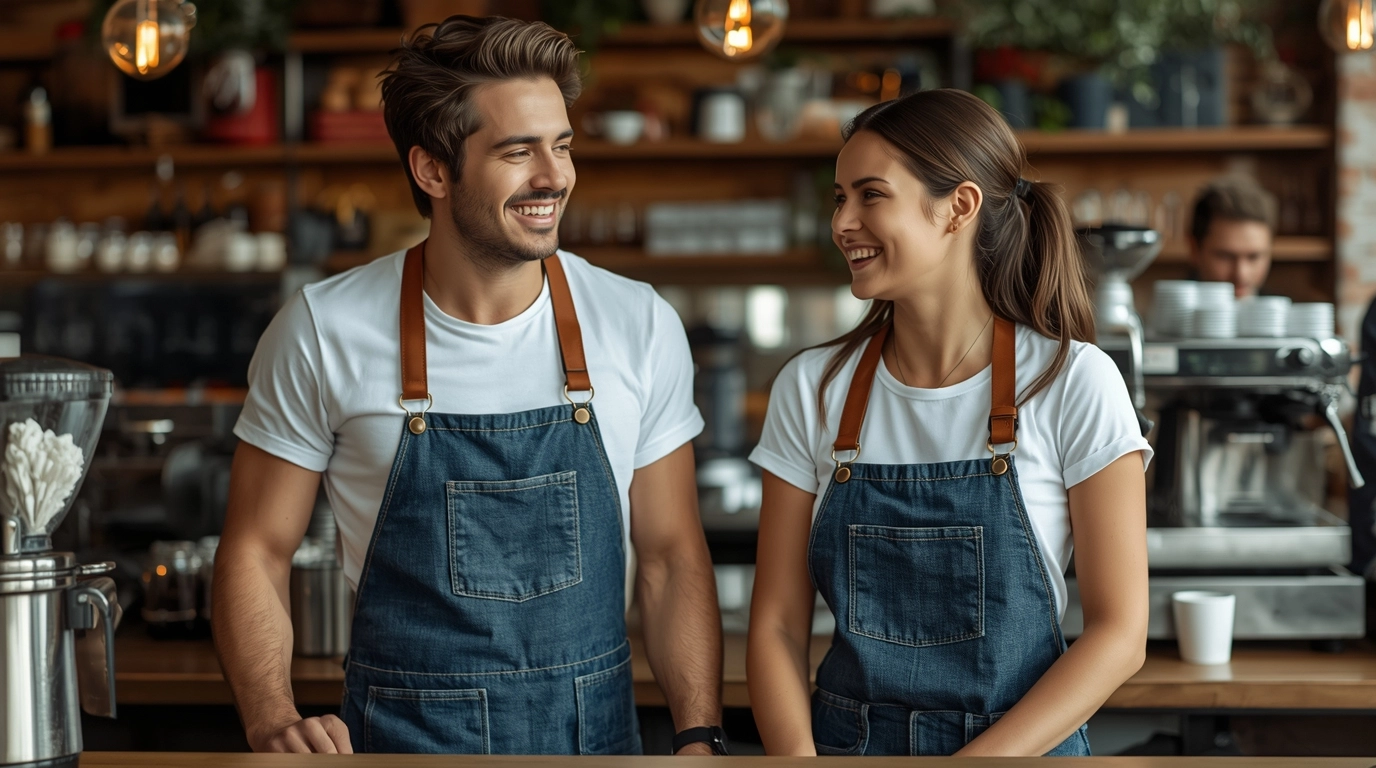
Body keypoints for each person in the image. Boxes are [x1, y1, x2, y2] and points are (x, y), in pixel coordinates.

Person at [213, 16, 724, 756]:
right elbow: (254, 551)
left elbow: (673, 555)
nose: (554, 177)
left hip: (594, 742)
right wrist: (270, 714)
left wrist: (700, 733)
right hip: (399, 744)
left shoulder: (637, 321)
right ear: (433, 171)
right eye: (518, 152)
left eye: (562, 145)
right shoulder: (324, 329)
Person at [745, 89, 1151, 757]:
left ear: (958, 207)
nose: (842, 221)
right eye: (838, 197)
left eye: (871, 195)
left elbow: (1119, 634)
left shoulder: (1072, 381)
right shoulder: (813, 389)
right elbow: (777, 627)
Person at [1187, 177, 1278, 298]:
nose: (1241, 275)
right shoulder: (1167, 314)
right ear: (1194, 249)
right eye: (1225, 256)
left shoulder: (1287, 314)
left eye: (1254, 257)